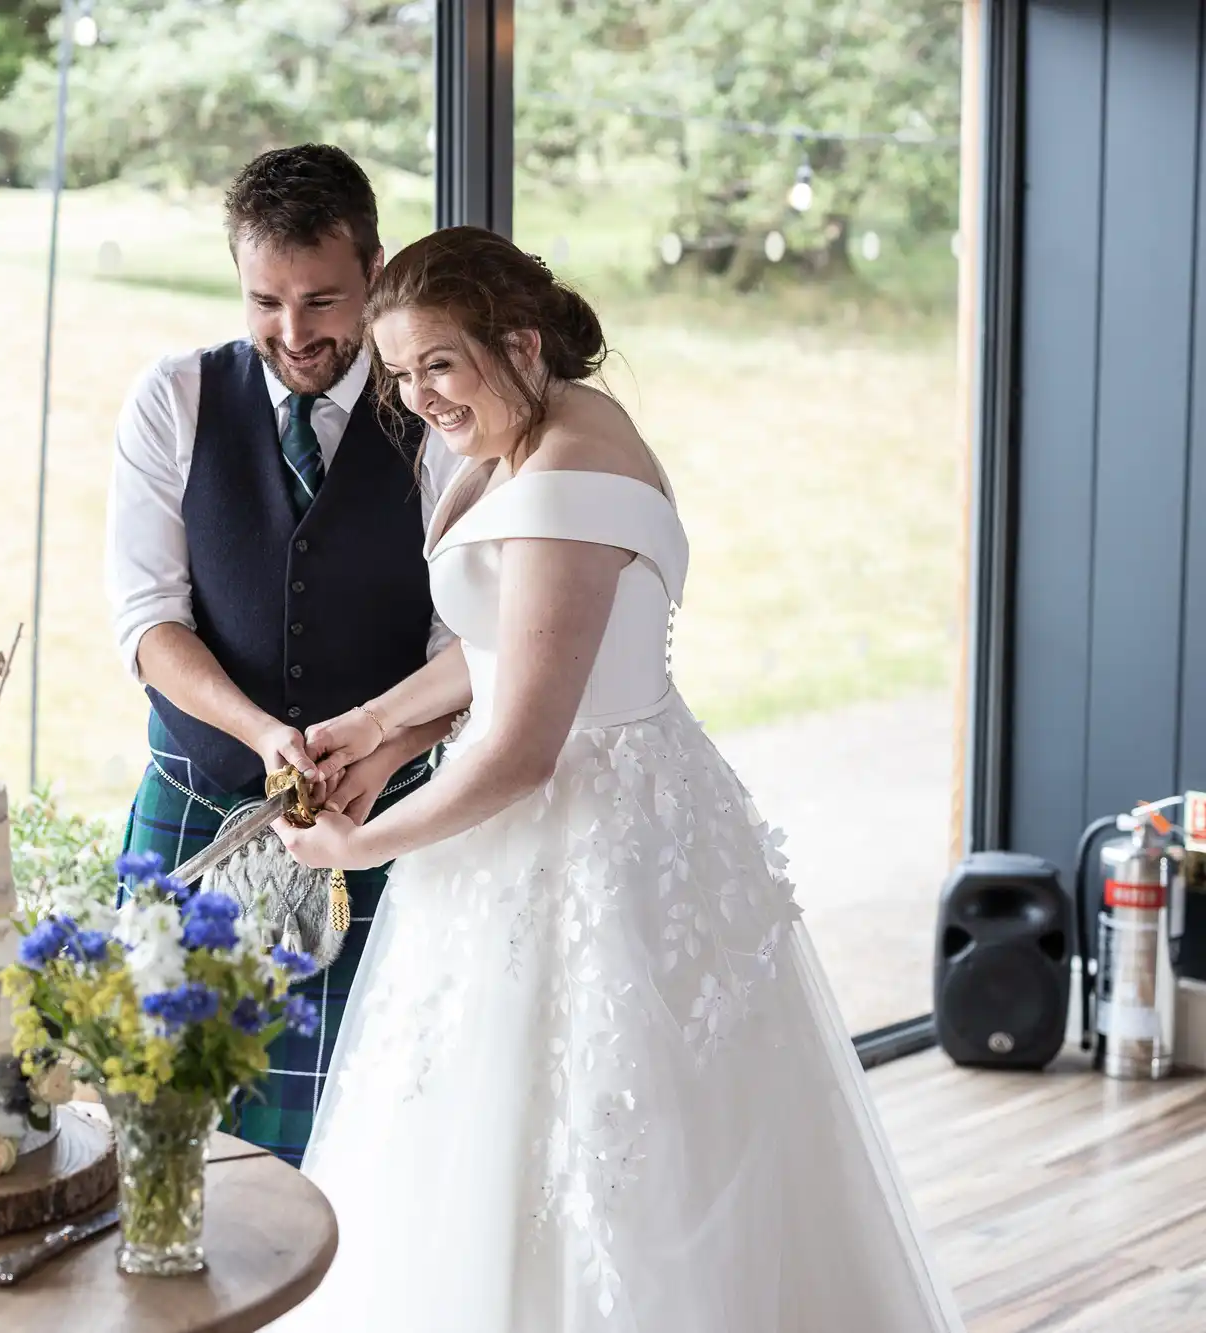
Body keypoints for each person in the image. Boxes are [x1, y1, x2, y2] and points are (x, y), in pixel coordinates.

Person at [272, 225, 966, 1331]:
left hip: (586, 841)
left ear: (519, 340)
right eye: (399, 374)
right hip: (545, 823)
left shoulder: (570, 468)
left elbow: (522, 745)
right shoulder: (538, 433)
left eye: (437, 365)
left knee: (605, 1155)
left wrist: (354, 846)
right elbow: (510, 645)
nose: (418, 398)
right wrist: (374, 727)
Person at [104, 144, 463, 1166]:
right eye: (265, 301)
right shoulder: (173, 400)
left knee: (353, 1136)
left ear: (374, 272)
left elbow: (462, 648)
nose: (293, 333)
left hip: (380, 819)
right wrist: (261, 733)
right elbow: (147, 623)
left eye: (321, 300)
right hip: (194, 804)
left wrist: (382, 753)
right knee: (165, 1120)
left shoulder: (436, 421)